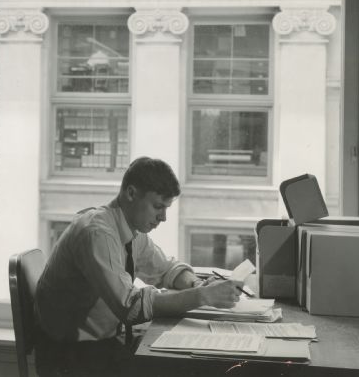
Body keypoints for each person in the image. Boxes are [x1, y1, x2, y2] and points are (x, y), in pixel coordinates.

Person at [34, 156, 243, 376]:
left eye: (166, 208)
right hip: (70, 356)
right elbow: (131, 308)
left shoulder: (131, 230)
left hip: (102, 345)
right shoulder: (97, 233)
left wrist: (195, 283)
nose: (162, 217)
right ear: (131, 194)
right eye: (157, 206)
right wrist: (202, 296)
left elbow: (165, 269)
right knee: (187, 368)